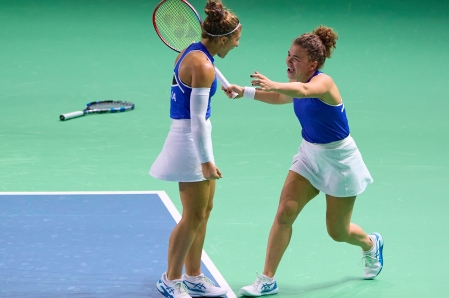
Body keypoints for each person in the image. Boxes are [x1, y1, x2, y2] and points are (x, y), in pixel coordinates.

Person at [224, 26, 383, 297]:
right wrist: (244, 92)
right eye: (288, 55)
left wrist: (275, 83)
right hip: (310, 154)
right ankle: (267, 279)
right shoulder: (297, 84)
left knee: (338, 231)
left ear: (314, 63)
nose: (289, 61)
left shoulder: (324, 83)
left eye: (296, 59)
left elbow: (303, 90)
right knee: (285, 212)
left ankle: (370, 244)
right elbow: (281, 96)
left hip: (340, 162)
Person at [149, 1, 242, 297]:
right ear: (223, 38)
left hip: (194, 137)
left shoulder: (195, 50)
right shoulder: (202, 66)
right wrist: (205, 161)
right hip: (190, 140)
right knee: (193, 215)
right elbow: (198, 120)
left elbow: (208, 67)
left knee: (204, 211)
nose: (238, 44)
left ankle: (193, 276)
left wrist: (223, 83)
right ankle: (170, 279)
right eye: (237, 38)